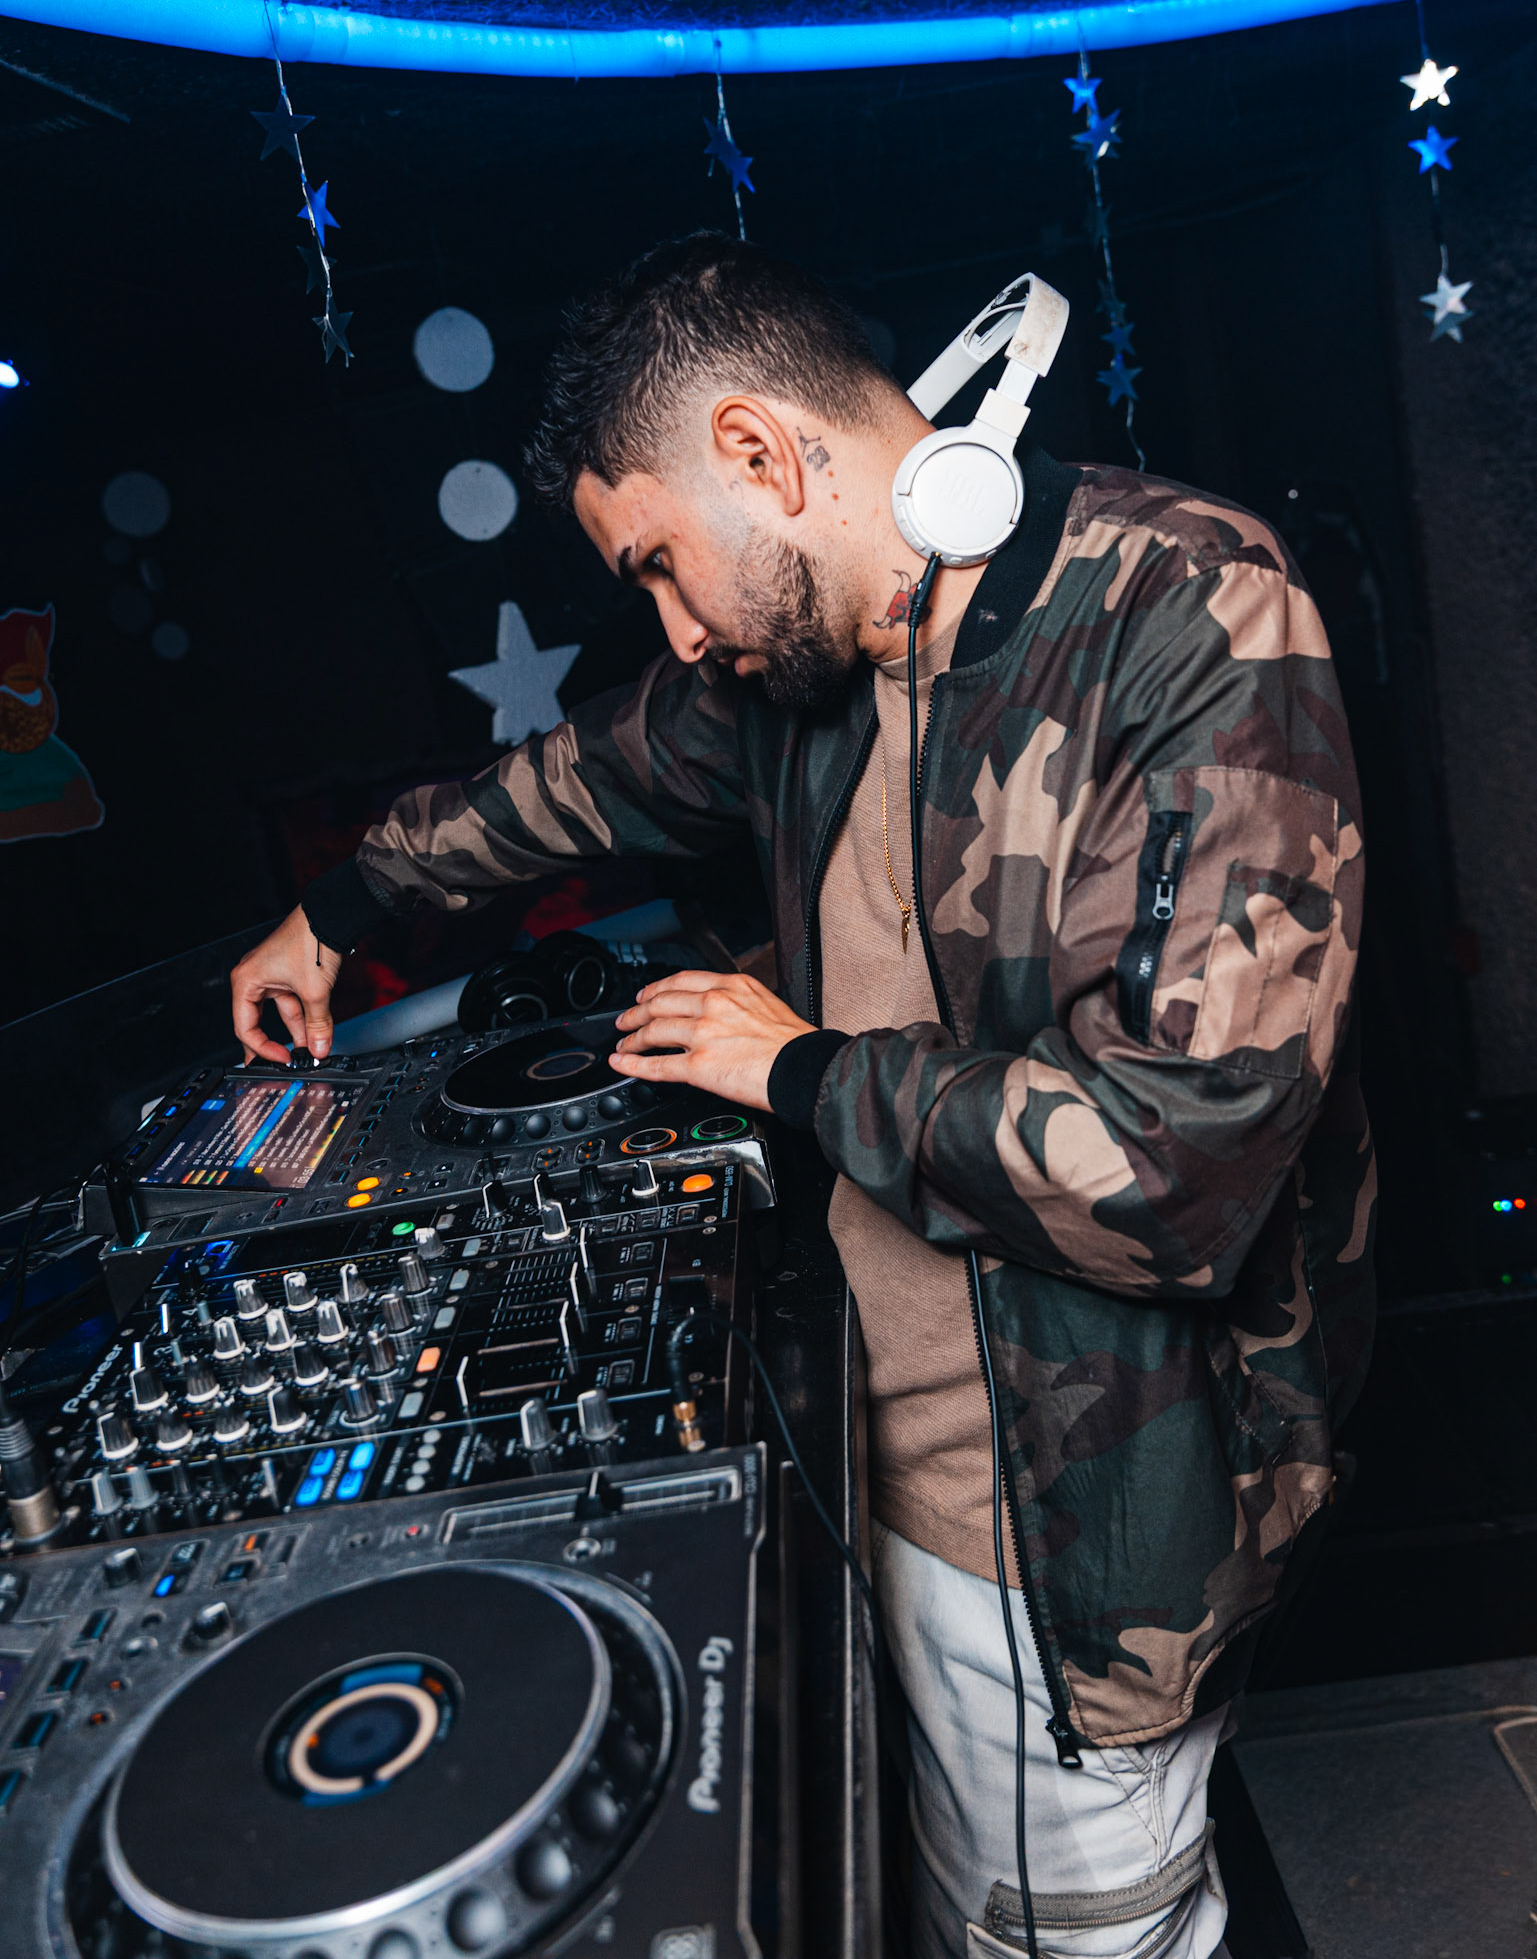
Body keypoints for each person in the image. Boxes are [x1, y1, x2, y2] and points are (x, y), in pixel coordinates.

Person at [231, 233, 1374, 1959]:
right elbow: (575, 777)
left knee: (1065, 1930)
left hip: (1079, 1527)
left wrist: (793, 1066)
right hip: (878, 1453)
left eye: (660, 567)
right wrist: (341, 908)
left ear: (761, 453)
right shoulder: (791, 665)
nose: (676, 631)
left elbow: (1172, 1166)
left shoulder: (1184, 609)